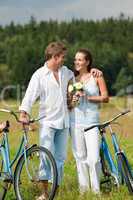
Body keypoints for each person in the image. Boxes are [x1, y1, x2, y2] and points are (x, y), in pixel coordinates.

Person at [19, 42, 102, 198]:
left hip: (64, 122)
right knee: (45, 156)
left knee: (60, 160)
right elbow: (30, 96)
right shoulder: (39, 75)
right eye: (62, 57)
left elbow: (80, 79)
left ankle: (54, 193)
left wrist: (94, 71)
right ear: (55, 57)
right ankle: (44, 194)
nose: (65, 60)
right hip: (47, 122)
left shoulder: (67, 73)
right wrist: (24, 113)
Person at [68, 48, 109, 194]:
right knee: (80, 158)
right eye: (75, 59)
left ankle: (96, 191)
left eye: (79, 59)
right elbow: (70, 105)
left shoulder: (96, 76)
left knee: (94, 158)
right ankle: (84, 191)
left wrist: (88, 97)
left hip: (92, 122)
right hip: (75, 123)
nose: (76, 62)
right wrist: (73, 100)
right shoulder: (72, 79)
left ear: (87, 62)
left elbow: (105, 97)